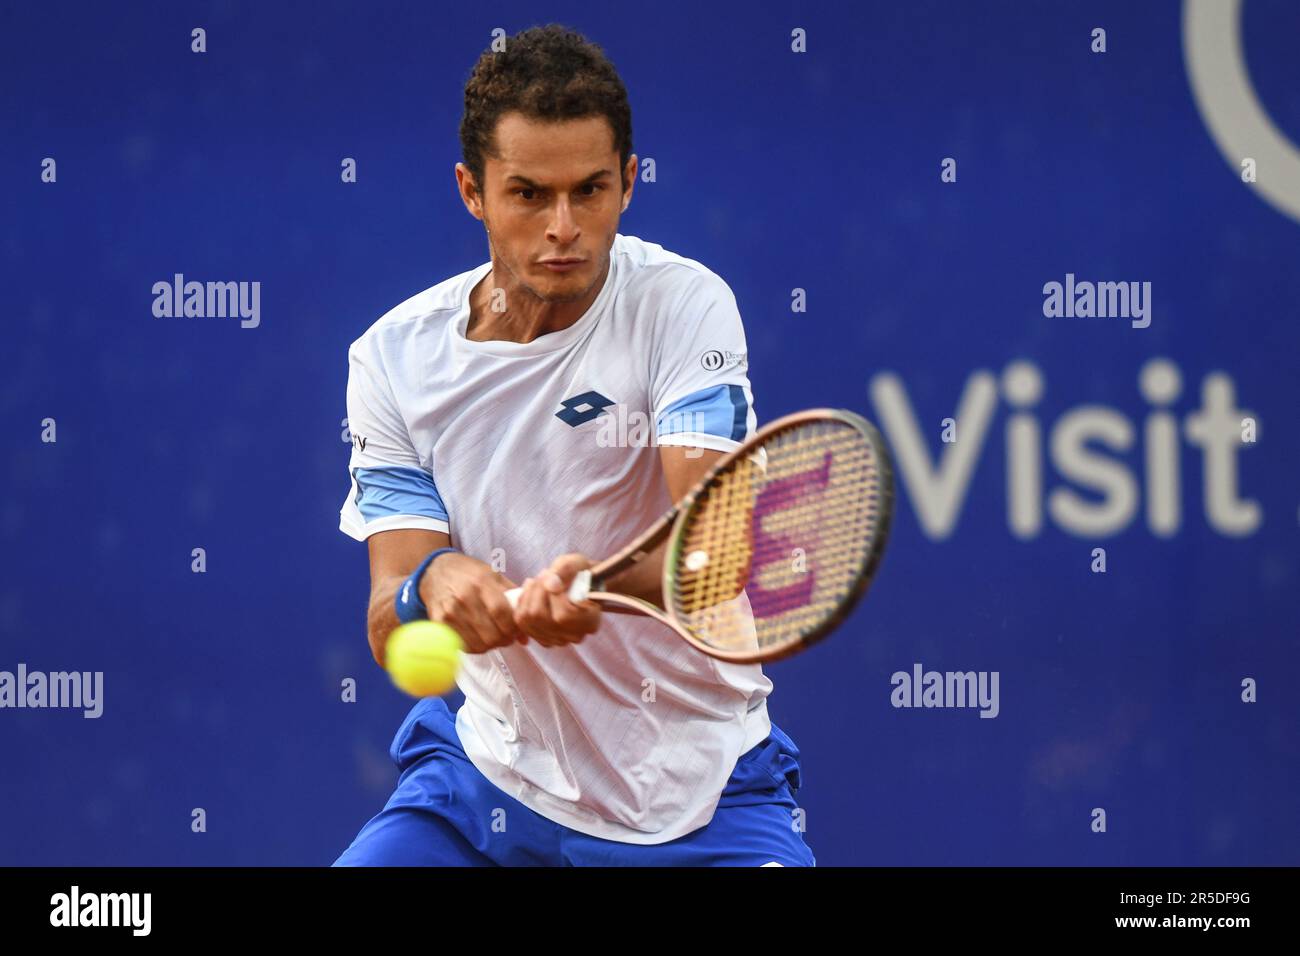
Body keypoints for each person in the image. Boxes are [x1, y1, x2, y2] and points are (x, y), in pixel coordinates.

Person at [333, 24, 814, 866]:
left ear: (628, 183)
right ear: (471, 192)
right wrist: (432, 582)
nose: (565, 227)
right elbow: (387, 619)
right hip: (487, 784)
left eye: (590, 190)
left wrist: (594, 583)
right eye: (528, 194)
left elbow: (716, 545)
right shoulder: (392, 358)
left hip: (699, 794)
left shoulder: (683, 304)